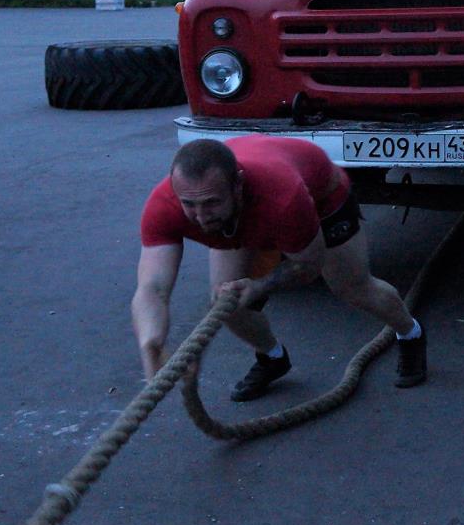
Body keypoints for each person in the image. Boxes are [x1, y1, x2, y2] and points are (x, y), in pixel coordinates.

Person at [133, 136, 428, 399]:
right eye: (189, 204)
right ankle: (272, 357)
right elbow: (152, 288)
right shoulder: (165, 206)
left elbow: (308, 266)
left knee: (351, 287)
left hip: (320, 199)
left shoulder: (283, 198)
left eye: (211, 202)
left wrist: (259, 285)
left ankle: (410, 333)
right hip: (243, 215)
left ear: (238, 185)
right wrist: (151, 343)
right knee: (225, 302)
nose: (200, 216)